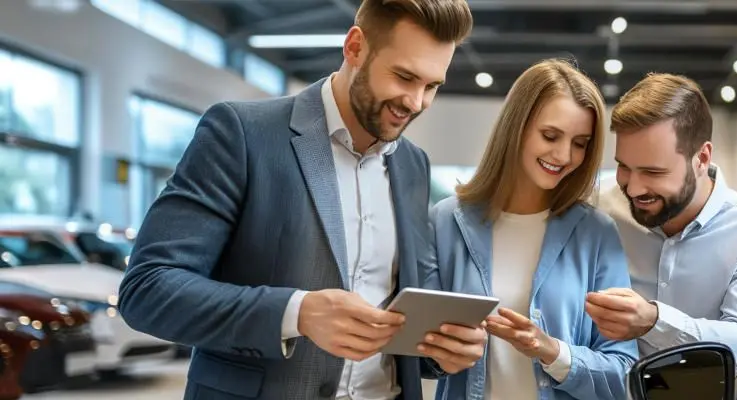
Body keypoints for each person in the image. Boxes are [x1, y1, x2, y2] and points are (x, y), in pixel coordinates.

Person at [117, 1, 487, 399]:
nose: (415, 102)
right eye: (403, 76)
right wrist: (296, 312)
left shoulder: (413, 165)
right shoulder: (242, 134)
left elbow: (401, 320)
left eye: (431, 86)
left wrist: (441, 350)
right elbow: (148, 289)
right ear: (355, 47)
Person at [428, 59, 638, 400]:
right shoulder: (446, 221)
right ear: (516, 126)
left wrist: (553, 351)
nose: (564, 155)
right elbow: (419, 350)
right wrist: (441, 355)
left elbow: (623, 372)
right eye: (550, 135)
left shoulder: (596, 233)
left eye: (580, 143)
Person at [585, 73, 737, 361]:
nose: (634, 188)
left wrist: (653, 322)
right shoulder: (595, 203)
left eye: (653, 172)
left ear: (702, 158)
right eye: (624, 167)